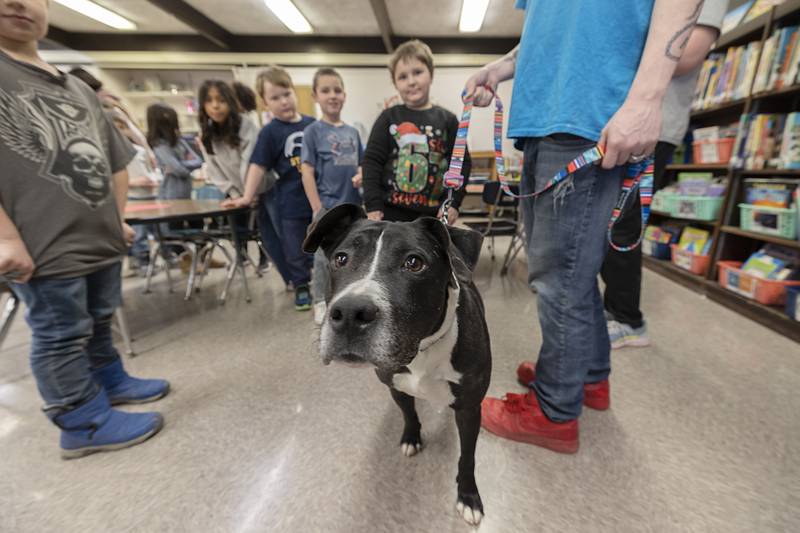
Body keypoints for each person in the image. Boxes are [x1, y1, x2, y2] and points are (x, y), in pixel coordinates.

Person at [466, 0, 709, 453]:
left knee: (561, 280)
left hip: (589, 118)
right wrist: (503, 66)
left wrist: (646, 99)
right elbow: (554, 28)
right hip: (545, 121)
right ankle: (589, 377)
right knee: (567, 274)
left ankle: (554, 412)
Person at [0, 0, 168, 458]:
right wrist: (6, 237)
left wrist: (117, 220)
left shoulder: (76, 87)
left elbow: (116, 163)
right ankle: (82, 419)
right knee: (60, 330)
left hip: (98, 238)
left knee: (98, 319)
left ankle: (108, 381)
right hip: (41, 243)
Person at [601, 0, 728, 349]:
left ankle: (627, 319)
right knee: (608, 225)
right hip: (618, 124)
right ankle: (614, 310)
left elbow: (688, 54)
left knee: (622, 228)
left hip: (651, 128)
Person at [223, 66, 315, 311]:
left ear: (294, 93)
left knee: (324, 244)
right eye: (275, 98)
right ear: (265, 103)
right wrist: (246, 196)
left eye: (286, 94)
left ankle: (326, 281)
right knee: (295, 247)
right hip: (290, 203)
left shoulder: (313, 125)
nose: (283, 101)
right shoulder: (270, 133)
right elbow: (257, 166)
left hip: (318, 200)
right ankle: (301, 284)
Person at [362, 39, 470, 223]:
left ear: (431, 74)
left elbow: (461, 163)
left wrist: (453, 203)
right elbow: (372, 162)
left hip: (433, 214)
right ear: (395, 83)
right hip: (390, 213)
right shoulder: (388, 117)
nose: (411, 81)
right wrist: (372, 205)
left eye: (418, 72)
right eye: (403, 77)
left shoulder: (448, 120)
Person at [300, 68, 363, 324]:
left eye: (337, 90)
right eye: (326, 90)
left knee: (353, 255)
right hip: (327, 206)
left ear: (344, 95)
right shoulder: (312, 132)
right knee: (323, 257)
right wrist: (316, 207)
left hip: (353, 207)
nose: (332, 95)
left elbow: (361, 163)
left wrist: (361, 174)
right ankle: (319, 301)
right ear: (316, 96)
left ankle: (349, 294)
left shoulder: (353, 132)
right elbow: (307, 172)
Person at [196, 79, 277, 275]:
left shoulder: (246, 126)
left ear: (230, 102)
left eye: (221, 100)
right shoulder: (206, 135)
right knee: (239, 230)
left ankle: (268, 261)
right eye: (209, 101)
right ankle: (242, 259)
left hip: (262, 189)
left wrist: (249, 193)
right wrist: (235, 194)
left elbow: (250, 163)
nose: (215, 106)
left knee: (268, 233)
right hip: (237, 194)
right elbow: (215, 171)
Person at [110, 107, 162, 274]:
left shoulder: (139, 151)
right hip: (130, 198)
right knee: (137, 234)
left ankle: (155, 258)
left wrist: (152, 179)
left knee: (154, 231)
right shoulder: (109, 154)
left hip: (148, 195)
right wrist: (133, 182)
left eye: (122, 127)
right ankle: (140, 262)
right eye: (115, 128)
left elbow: (151, 170)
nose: (121, 132)